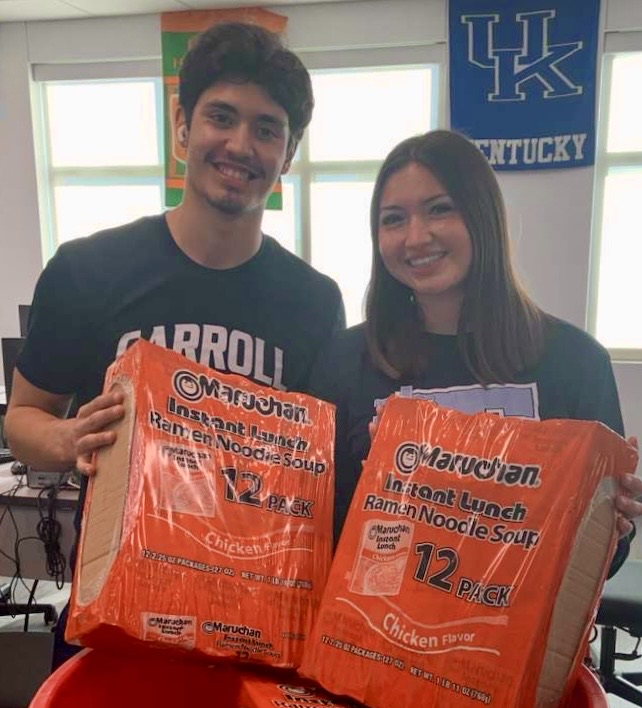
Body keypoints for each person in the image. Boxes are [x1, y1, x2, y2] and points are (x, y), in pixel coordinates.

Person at [4, 22, 345, 665]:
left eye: (267, 128)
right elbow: (23, 417)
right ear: (182, 127)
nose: (240, 145)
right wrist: (66, 439)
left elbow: (313, 478)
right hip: (113, 613)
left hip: (249, 621)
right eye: (221, 116)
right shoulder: (88, 269)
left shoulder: (315, 301)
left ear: (288, 153)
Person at [309, 129, 642, 568]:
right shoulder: (344, 360)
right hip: (380, 630)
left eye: (439, 210)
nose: (415, 237)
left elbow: (604, 561)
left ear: (483, 216)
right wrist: (381, 488)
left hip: (520, 634)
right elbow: (314, 534)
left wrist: (615, 526)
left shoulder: (576, 363)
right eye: (393, 219)